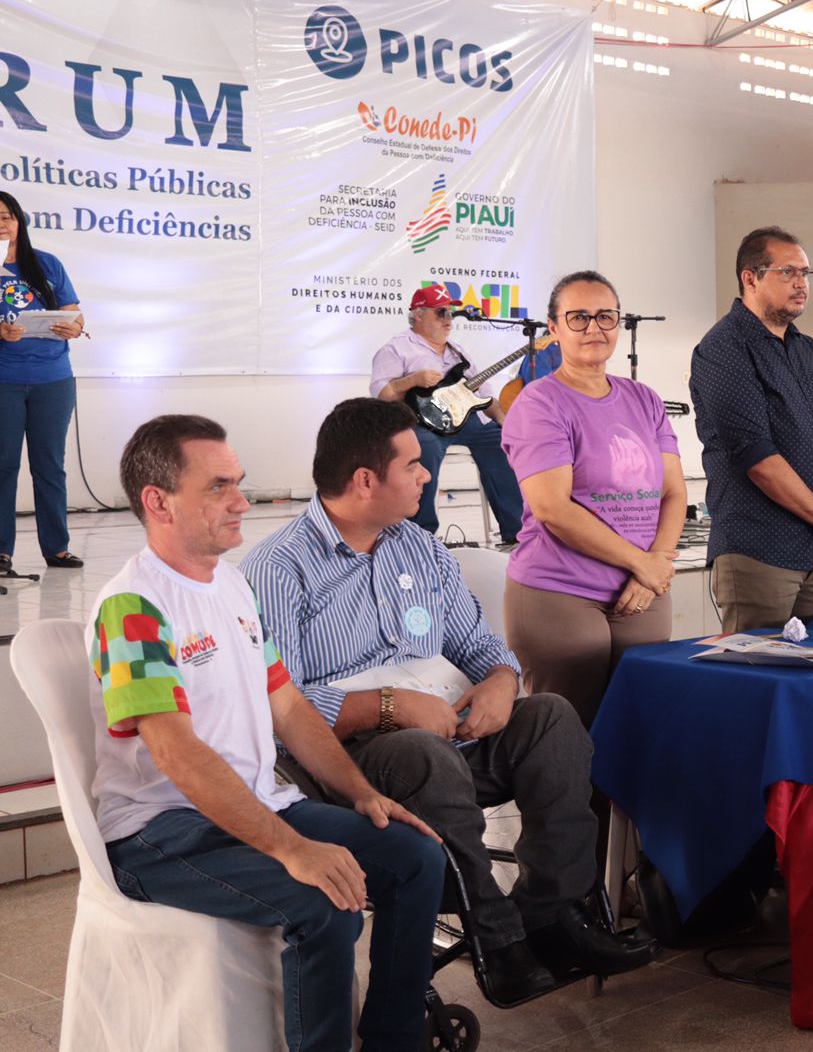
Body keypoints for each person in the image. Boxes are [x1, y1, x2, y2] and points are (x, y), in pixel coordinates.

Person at [242, 399, 657, 1006]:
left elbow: (480, 645)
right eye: (412, 465)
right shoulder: (278, 569)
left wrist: (500, 681)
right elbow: (281, 706)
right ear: (365, 481)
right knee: (420, 752)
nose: (426, 475)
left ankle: (556, 914)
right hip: (352, 759)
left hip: (447, 730)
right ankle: (498, 939)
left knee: (551, 718)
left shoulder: (419, 547)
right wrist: (388, 706)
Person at [93, 414, 444, 1052]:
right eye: (219, 486)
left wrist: (360, 793)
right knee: (325, 904)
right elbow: (177, 754)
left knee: (415, 857)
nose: (242, 501)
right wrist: (292, 849)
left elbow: (287, 706)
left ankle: (394, 1040)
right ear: (158, 502)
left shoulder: (232, 585)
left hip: (255, 804)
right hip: (160, 831)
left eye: (239, 482)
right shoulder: (133, 607)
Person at [501, 271, 686, 728]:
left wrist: (655, 566)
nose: (593, 328)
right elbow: (553, 509)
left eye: (605, 316)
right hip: (560, 591)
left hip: (643, 589)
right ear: (553, 328)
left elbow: (674, 492)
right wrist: (642, 563)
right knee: (569, 736)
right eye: (578, 317)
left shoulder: (644, 399)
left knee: (639, 729)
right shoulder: (539, 403)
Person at [690, 226, 813, 630]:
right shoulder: (723, 350)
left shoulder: (807, 349)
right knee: (759, 664)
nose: (801, 283)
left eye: (806, 273)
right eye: (788, 272)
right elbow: (759, 459)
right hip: (761, 551)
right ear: (750, 278)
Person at [370, 284, 525, 545]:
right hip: (421, 422)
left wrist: (502, 418)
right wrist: (411, 380)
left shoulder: (458, 350)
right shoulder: (396, 349)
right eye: (441, 313)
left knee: (501, 440)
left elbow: (483, 393)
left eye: (450, 313)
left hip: (464, 419)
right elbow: (381, 394)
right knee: (424, 448)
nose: (448, 320)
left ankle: (517, 530)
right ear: (418, 315)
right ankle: (420, 535)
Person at [0, 190, 86, 573]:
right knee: (3, 466)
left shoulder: (47, 263)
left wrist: (74, 327)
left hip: (53, 379)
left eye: (7, 216)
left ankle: (57, 548)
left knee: (50, 466)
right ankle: (2, 551)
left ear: (20, 221)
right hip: (5, 380)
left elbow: (75, 313)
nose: (2, 224)